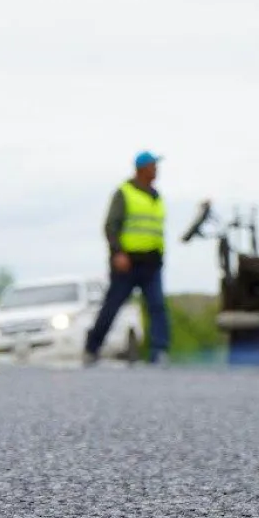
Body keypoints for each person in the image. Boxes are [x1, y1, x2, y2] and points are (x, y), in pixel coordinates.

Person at [84, 151, 170, 366]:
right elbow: (111, 226)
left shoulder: (156, 196)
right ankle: (92, 348)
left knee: (157, 307)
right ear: (142, 169)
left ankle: (159, 351)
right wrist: (118, 253)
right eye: (153, 166)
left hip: (151, 263)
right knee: (112, 306)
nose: (156, 170)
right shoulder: (124, 193)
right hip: (127, 264)